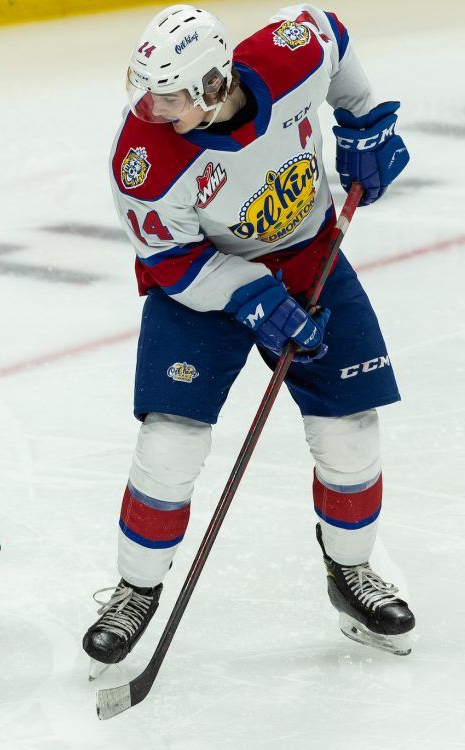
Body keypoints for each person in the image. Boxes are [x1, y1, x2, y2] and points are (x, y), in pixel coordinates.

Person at [83, 4, 415, 673]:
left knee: (350, 429)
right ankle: (134, 590)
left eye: (171, 96)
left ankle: (351, 574)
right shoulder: (144, 160)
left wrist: (363, 120)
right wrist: (251, 299)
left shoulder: (287, 58)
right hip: (201, 288)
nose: (153, 111)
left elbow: (332, 32)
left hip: (307, 255)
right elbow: (172, 263)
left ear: (213, 83)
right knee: (171, 440)